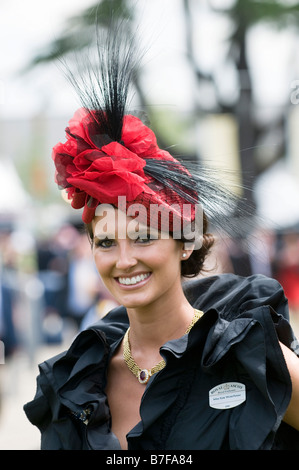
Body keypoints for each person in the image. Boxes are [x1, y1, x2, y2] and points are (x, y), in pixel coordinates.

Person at [24, 22, 299, 451]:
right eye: (107, 242)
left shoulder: (249, 354)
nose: (125, 259)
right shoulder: (76, 382)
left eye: (144, 236)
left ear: (185, 241)